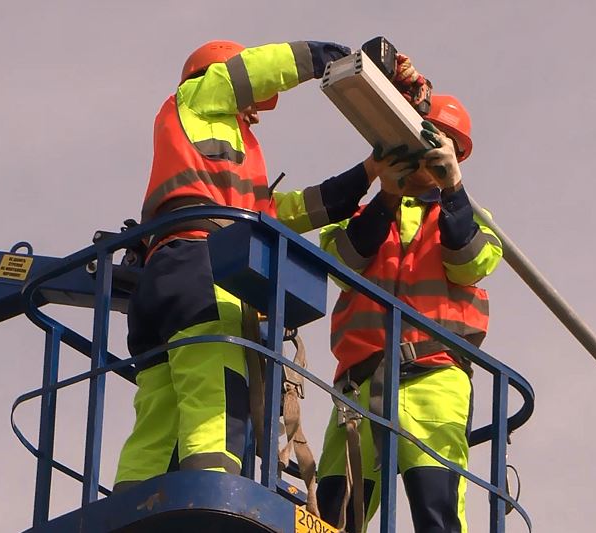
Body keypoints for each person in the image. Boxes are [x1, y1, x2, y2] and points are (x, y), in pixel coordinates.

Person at [113, 39, 430, 492]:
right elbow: (258, 69)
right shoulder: (199, 96)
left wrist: (370, 171)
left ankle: (130, 507)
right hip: (205, 270)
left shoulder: (211, 160)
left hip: (163, 279)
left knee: (159, 416)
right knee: (217, 397)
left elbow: (290, 212)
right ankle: (211, 499)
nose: (256, 113)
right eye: (253, 105)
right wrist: (337, 59)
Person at [315, 95, 502, 532]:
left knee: (435, 511)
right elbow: (342, 265)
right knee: (330, 519)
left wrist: (454, 188)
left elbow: (469, 261)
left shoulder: (472, 218)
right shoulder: (360, 218)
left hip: (434, 378)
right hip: (358, 388)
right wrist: (387, 197)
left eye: (440, 146)